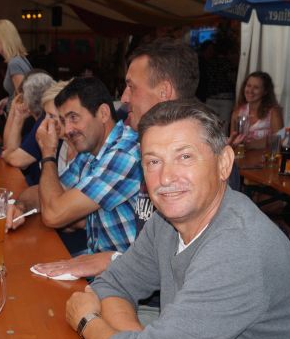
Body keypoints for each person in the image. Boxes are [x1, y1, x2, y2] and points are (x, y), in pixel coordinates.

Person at [66, 99, 290, 339]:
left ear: (224, 163)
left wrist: (88, 322)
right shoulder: (166, 222)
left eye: (185, 157)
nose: (166, 178)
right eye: (153, 162)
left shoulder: (239, 249)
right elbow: (113, 284)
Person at [34, 37, 200, 278]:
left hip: (137, 289)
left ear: (164, 92)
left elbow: (183, 267)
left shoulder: (186, 160)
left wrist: (111, 259)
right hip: (120, 275)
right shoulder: (147, 148)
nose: (123, 98)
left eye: (131, 87)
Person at [6, 77, 141, 260]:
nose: (67, 129)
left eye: (73, 118)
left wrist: (48, 153)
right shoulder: (90, 151)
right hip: (94, 258)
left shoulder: (124, 153)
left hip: (124, 271)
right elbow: (43, 193)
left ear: (103, 113)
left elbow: (54, 214)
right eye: (63, 120)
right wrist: (20, 207)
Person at [2, 70, 55, 185]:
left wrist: (6, 154)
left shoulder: (44, 122)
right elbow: (11, 151)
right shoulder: (38, 120)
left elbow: (18, 161)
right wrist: (18, 118)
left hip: (36, 187)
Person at [0, 19, 32, 116]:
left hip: (18, 120)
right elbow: (21, 95)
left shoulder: (14, 63)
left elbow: (23, 101)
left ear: (5, 39)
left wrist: (12, 123)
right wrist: (7, 100)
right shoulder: (20, 59)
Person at [230, 71, 283, 149]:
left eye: (256, 87)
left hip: (265, 156)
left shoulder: (273, 112)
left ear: (265, 91)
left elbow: (279, 141)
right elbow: (232, 141)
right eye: (248, 86)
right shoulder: (237, 112)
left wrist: (250, 144)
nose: (250, 91)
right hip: (242, 155)